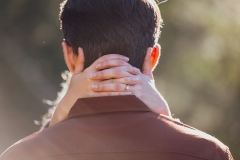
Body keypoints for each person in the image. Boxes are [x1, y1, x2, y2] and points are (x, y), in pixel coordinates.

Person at [0, 0, 233, 159]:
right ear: (153, 57)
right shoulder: (206, 152)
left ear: (69, 57)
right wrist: (167, 120)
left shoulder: (19, 155)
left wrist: (54, 125)